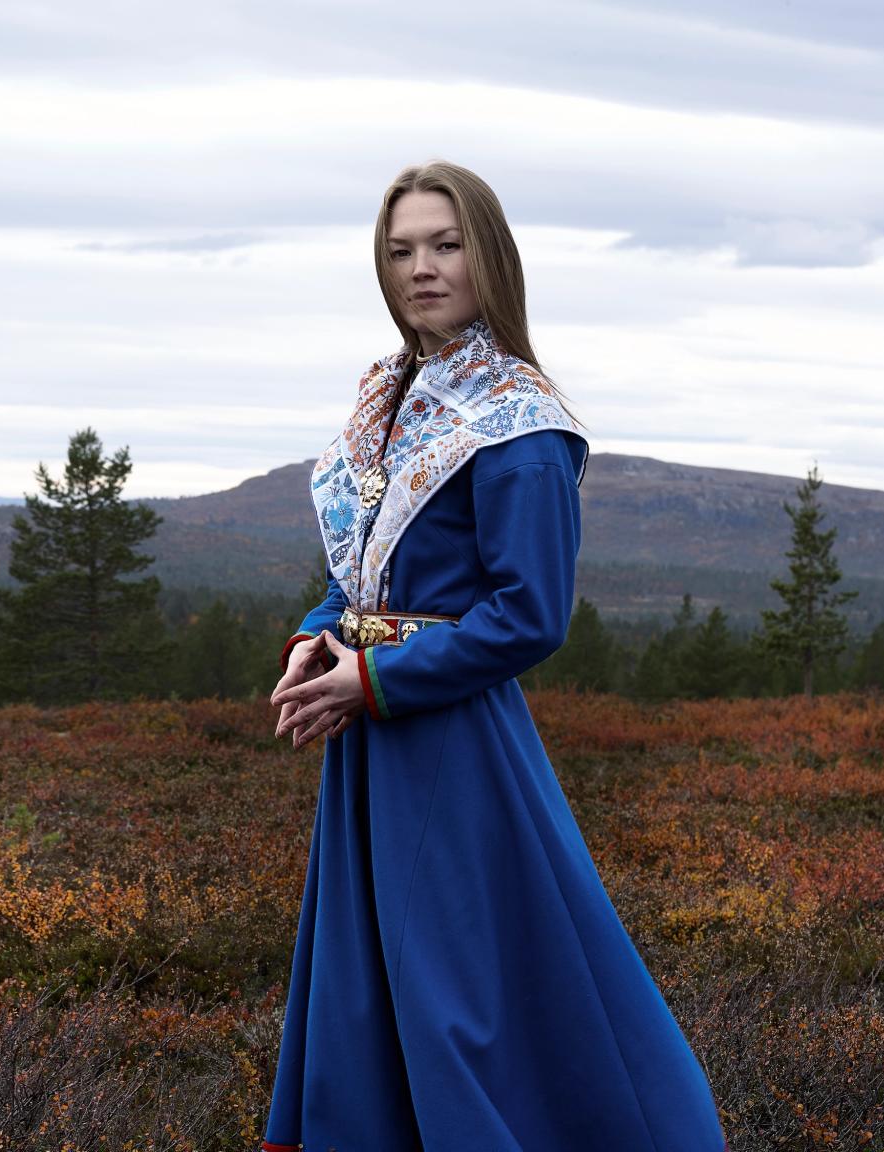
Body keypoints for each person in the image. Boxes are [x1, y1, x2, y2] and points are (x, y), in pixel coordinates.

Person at [260, 160, 729, 1151]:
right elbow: (368, 579)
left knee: (453, 995)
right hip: (372, 734)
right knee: (371, 984)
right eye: (398, 251)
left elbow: (526, 617)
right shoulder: (389, 396)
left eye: (444, 244)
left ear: (489, 256)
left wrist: (372, 680)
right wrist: (317, 635)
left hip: (451, 746)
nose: (420, 269)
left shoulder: (520, 423)